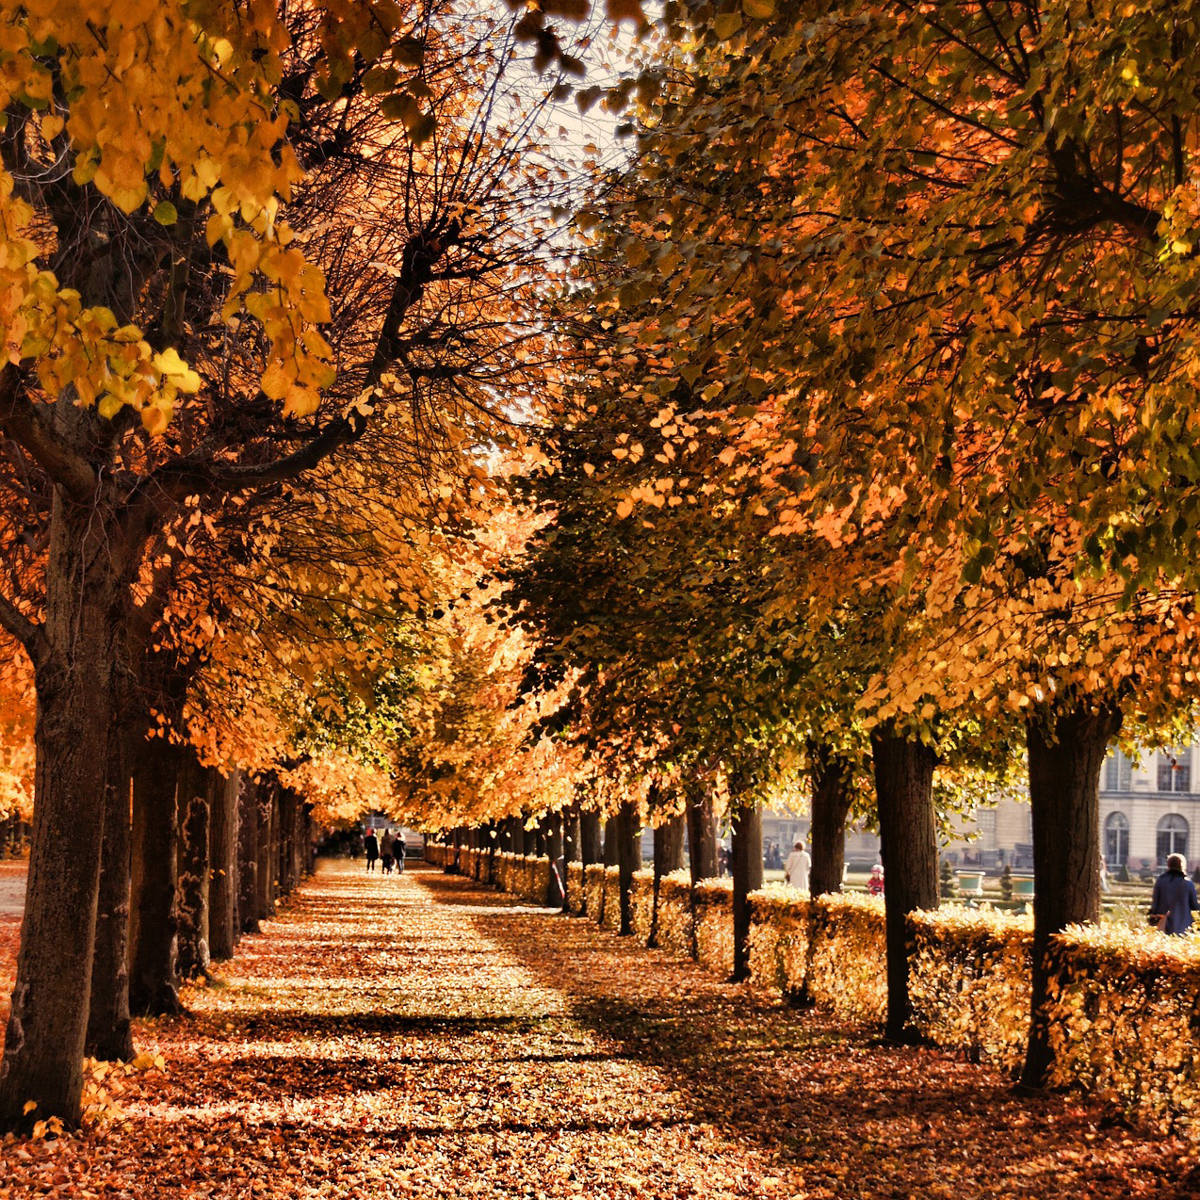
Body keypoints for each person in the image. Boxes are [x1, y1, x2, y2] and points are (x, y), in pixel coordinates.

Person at [1149, 853, 1199, 934]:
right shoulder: (1187, 883)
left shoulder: (1160, 880)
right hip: (1184, 926)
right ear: (1182, 865)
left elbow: (1155, 903)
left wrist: (1153, 917)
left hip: (1164, 925)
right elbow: (1195, 906)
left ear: (1168, 865)